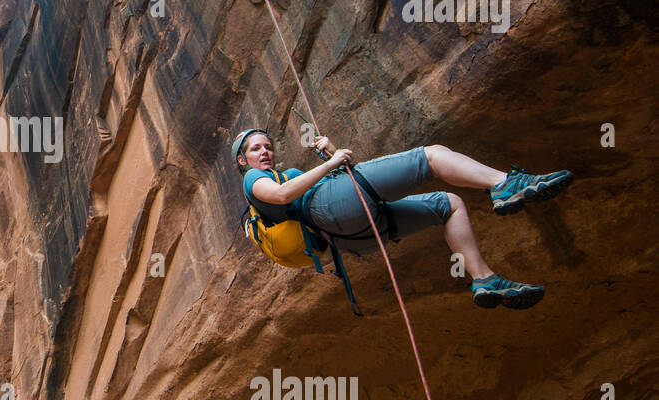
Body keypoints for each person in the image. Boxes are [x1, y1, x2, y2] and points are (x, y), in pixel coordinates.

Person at [231, 128, 573, 308]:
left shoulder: (283, 174)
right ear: (243, 162)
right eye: (255, 149)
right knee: (432, 156)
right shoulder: (253, 181)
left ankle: (484, 280)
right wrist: (331, 163)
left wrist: (332, 156)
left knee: (448, 203)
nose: (265, 152)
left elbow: (354, 184)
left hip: (352, 236)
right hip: (331, 212)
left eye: (267, 147)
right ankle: (504, 184)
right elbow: (282, 196)